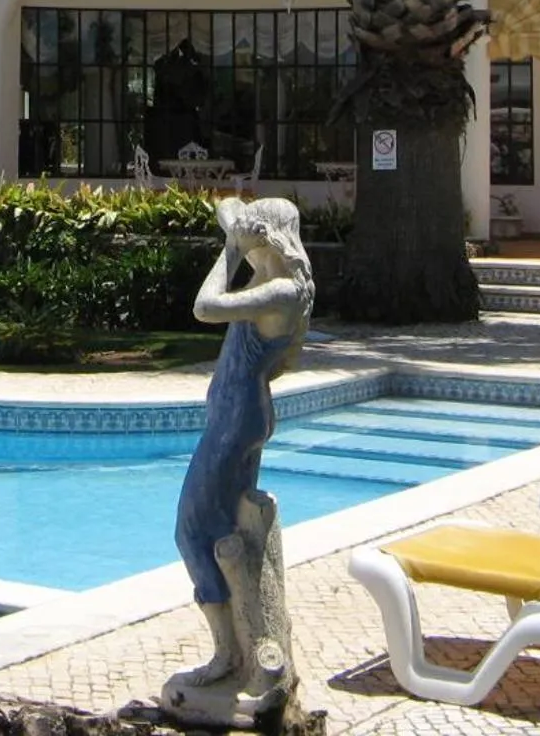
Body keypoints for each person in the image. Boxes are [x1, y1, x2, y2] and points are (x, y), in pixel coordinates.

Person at [167, 196, 315, 711]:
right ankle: (245, 645)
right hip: (241, 414)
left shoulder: (277, 291)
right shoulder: (278, 278)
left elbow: (204, 307)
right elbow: (226, 207)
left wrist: (230, 252)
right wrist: (238, 227)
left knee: (192, 530)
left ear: (267, 237)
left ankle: (226, 653)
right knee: (229, 532)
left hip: (235, 423)